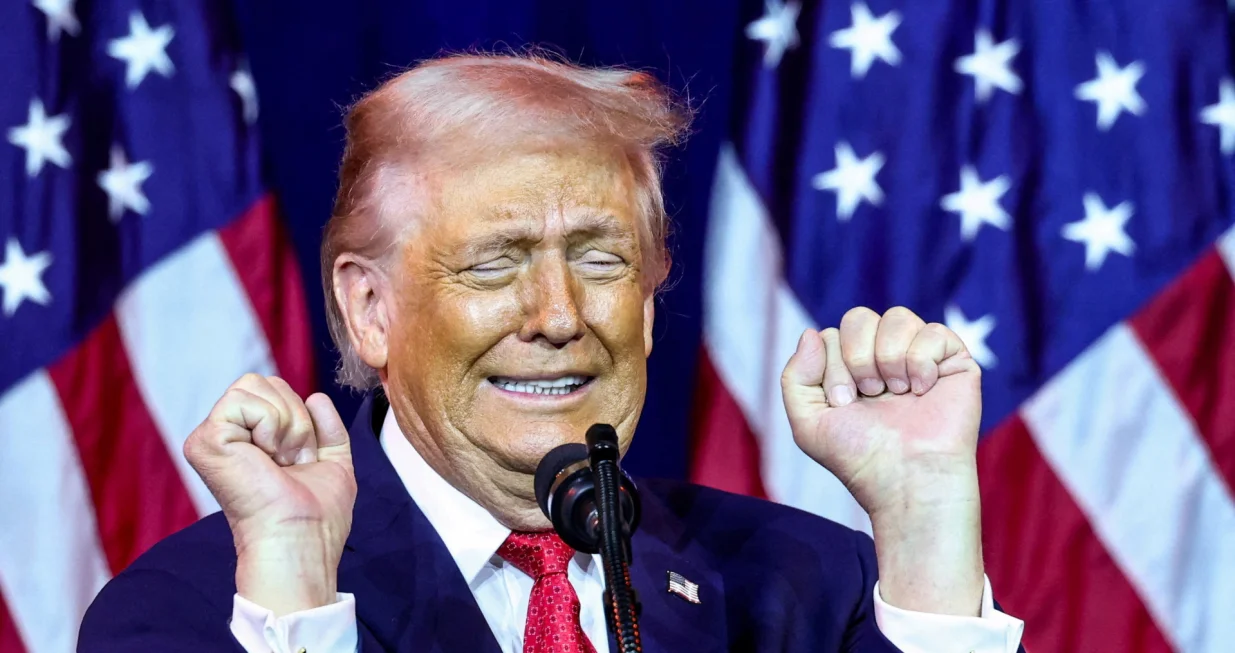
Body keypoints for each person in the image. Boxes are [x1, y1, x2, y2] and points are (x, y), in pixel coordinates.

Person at [78, 53, 1025, 652]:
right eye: (494, 266)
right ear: (370, 309)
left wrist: (927, 510)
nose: (559, 315)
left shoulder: (808, 589)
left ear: (653, 298)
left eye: (601, 259)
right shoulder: (197, 611)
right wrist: (293, 590)